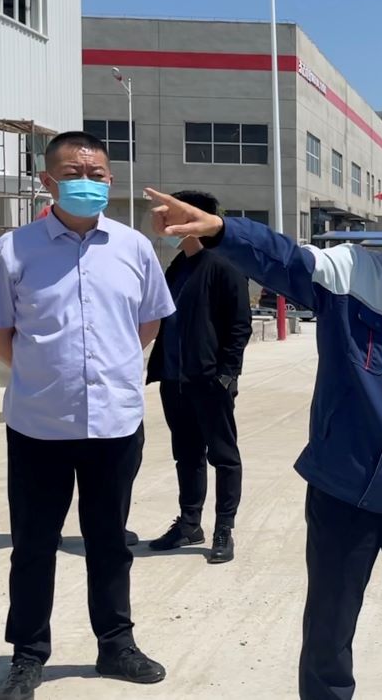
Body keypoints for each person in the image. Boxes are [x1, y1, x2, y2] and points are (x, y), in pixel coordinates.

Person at [144, 147, 382, 700]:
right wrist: (222, 231)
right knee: (328, 638)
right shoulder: (349, 272)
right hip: (342, 494)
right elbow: (283, 259)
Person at [0, 131, 174, 700]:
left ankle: (116, 644)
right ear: (48, 181)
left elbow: (147, 323)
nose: (87, 182)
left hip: (115, 423)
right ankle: (27, 655)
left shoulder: (134, 248)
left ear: (110, 180)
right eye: (72, 173)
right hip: (39, 425)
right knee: (33, 545)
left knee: (109, 540)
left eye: (97, 174)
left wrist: (106, 370)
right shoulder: (13, 250)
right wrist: (45, 373)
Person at [145, 190, 252, 563]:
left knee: (223, 456)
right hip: (175, 379)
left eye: (170, 214)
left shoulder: (224, 264)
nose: (163, 221)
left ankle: (224, 527)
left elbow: (239, 325)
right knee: (187, 455)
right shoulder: (178, 265)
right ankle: (190, 523)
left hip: (209, 380)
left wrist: (227, 375)